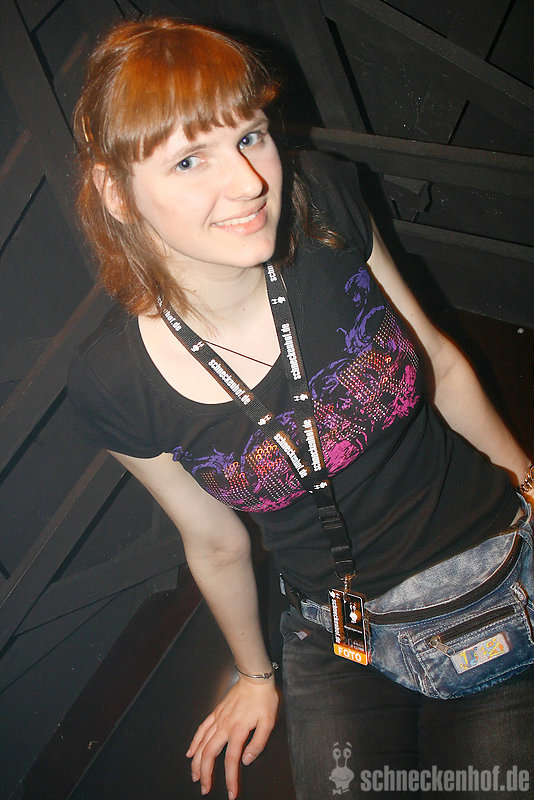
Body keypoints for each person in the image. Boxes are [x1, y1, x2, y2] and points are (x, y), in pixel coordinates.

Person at [67, 17, 534, 800]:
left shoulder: (319, 202)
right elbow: (214, 540)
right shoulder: (113, 383)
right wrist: (256, 675)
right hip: (333, 626)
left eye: (250, 136)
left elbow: (439, 361)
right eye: (189, 159)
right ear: (117, 193)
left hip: (486, 564)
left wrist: (529, 483)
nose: (249, 182)